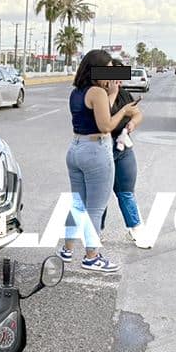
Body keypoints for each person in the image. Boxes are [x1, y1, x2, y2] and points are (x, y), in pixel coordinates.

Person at [59, 49, 141, 272]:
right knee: (95, 208)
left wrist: (113, 96)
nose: (110, 77)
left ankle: (66, 250)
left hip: (76, 148)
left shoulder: (77, 91)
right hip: (96, 150)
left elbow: (95, 116)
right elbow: (106, 126)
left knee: (78, 203)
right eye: (107, 71)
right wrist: (124, 109)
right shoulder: (97, 92)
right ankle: (92, 256)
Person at [101, 59, 151, 249]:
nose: (117, 81)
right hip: (103, 149)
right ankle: (96, 232)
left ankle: (136, 229)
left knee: (126, 192)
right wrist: (113, 96)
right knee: (102, 194)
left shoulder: (123, 94)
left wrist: (132, 123)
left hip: (123, 148)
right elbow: (103, 122)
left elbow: (137, 113)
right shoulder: (97, 95)